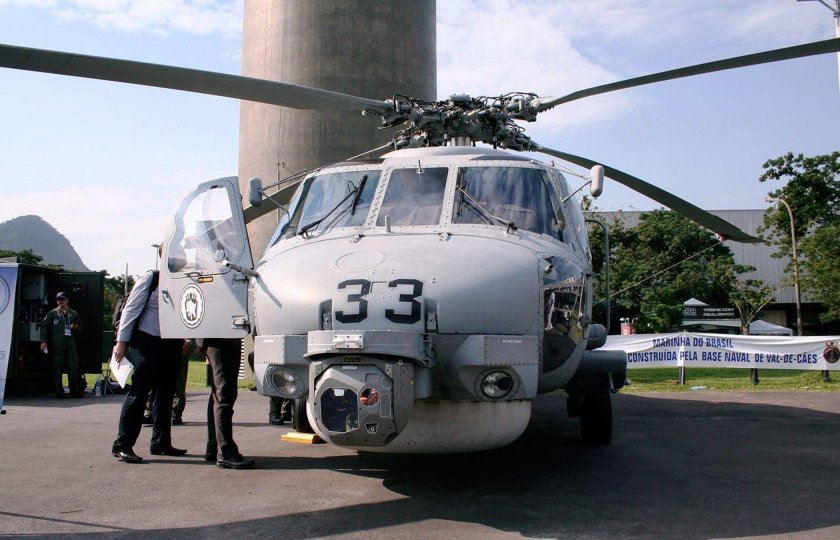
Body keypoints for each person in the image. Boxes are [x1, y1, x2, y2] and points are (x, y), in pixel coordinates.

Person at [110, 270, 187, 463]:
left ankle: (161, 442)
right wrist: (121, 342)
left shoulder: (184, 280)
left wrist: (188, 338)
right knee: (139, 391)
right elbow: (131, 309)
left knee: (166, 394)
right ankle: (123, 445)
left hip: (171, 342)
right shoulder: (151, 279)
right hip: (146, 341)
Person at [202, 338, 255, 469]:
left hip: (221, 339)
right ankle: (226, 453)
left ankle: (214, 448)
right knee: (224, 394)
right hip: (222, 339)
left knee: (219, 395)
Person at [40, 292, 83, 398]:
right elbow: (44, 327)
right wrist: (43, 341)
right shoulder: (52, 313)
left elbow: (81, 327)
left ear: (67, 300)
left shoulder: (73, 314)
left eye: (63, 299)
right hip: (57, 344)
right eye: (58, 300)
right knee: (57, 367)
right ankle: (59, 391)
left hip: (70, 344)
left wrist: (76, 328)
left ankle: (73, 390)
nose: (61, 301)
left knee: (72, 367)